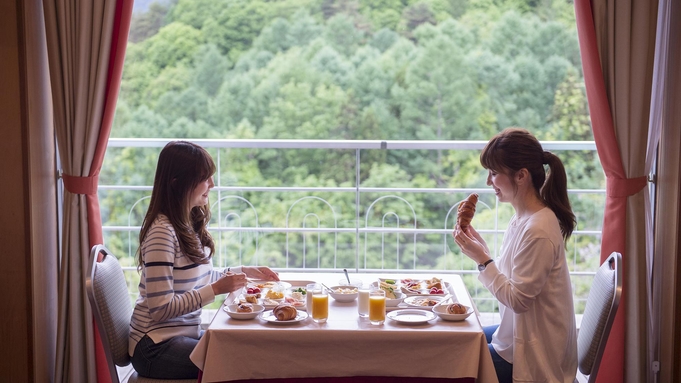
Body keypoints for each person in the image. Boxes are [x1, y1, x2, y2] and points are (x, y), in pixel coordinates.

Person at [129, 141, 279, 379]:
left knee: (250, 346)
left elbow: (197, 277)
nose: (212, 184)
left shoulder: (185, 223)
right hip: (154, 346)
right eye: (205, 178)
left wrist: (245, 272)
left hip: (181, 335)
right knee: (244, 360)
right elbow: (160, 310)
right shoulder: (162, 233)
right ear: (177, 183)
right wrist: (216, 290)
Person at [453, 128, 578, 383]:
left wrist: (483, 261)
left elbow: (518, 300)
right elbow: (514, 280)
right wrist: (483, 251)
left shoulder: (538, 229)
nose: (489, 182)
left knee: (454, 362)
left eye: (494, 173)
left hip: (533, 355)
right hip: (515, 336)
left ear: (521, 176)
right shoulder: (522, 218)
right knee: (458, 338)